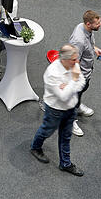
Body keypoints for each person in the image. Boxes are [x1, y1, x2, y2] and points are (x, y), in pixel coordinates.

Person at [30, 43, 85, 176]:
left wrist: (68, 86)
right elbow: (63, 97)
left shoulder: (74, 65)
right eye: (74, 59)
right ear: (64, 59)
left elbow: (82, 83)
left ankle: (65, 163)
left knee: (66, 136)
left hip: (71, 108)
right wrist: (74, 80)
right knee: (46, 131)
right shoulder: (52, 73)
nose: (77, 62)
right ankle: (35, 147)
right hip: (55, 110)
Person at [69, 10, 101, 138]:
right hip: (79, 75)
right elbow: (73, 61)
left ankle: (77, 106)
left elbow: (87, 44)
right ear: (89, 24)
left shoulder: (84, 27)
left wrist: (94, 49)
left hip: (86, 72)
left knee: (79, 94)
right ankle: (70, 121)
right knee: (73, 97)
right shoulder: (78, 40)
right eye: (98, 23)